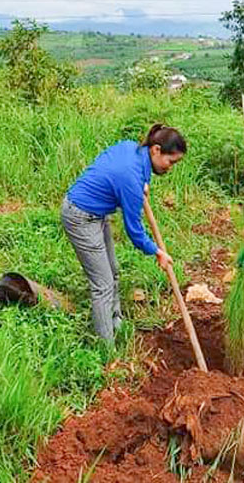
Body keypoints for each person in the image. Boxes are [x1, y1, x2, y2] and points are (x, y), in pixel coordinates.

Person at [61, 124, 186, 341]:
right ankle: (106, 349)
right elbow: (134, 231)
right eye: (171, 161)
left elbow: (113, 166)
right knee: (102, 285)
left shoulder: (133, 149)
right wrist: (157, 252)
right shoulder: (131, 178)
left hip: (96, 213)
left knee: (113, 271)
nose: (170, 167)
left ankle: (115, 321)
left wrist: (142, 182)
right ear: (156, 150)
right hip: (80, 217)